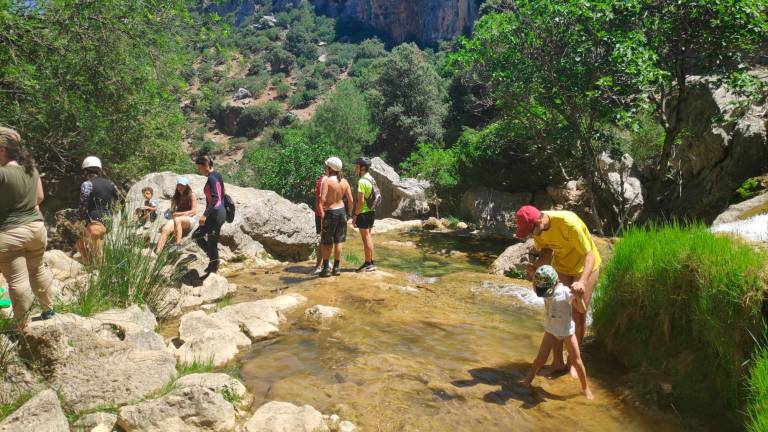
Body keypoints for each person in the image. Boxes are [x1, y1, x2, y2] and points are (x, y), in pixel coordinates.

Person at [515, 205, 602, 375]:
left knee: (578, 313)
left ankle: (572, 364)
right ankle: (557, 362)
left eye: (530, 230)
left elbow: (589, 256)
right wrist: (538, 267)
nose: (530, 234)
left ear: (539, 220)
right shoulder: (538, 231)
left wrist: (582, 282)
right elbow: (547, 251)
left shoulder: (568, 223)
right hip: (562, 266)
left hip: (585, 267)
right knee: (557, 310)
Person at [0, 127, 55, 326]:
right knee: (37, 270)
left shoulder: (3, 173)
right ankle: (49, 311)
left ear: (2, 149)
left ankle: (22, 328)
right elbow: (39, 197)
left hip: (10, 232)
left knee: (17, 280)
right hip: (36, 229)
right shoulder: (31, 169)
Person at [524, 265, 594, 400]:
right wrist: (533, 276)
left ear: (556, 282)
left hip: (568, 332)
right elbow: (536, 288)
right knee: (540, 359)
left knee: (577, 361)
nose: (545, 294)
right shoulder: (544, 290)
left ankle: (586, 388)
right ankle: (529, 379)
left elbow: (582, 310)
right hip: (551, 331)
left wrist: (579, 297)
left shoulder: (566, 292)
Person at [76, 156, 120, 266]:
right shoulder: (111, 184)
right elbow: (122, 200)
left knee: (81, 246)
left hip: (94, 221)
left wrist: (80, 220)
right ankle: (93, 269)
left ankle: (93, 269)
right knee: (92, 246)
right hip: (108, 221)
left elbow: (83, 206)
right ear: (99, 170)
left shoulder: (87, 184)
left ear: (85, 171)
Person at [318, 157, 353, 278]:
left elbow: (322, 200)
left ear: (330, 168)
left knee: (326, 241)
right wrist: (349, 214)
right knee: (339, 241)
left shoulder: (327, 181)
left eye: (326, 167)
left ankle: (326, 268)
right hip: (342, 211)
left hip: (330, 212)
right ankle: (337, 268)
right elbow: (351, 200)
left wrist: (322, 213)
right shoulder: (344, 181)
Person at [193, 155, 226, 274]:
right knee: (206, 239)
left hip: (216, 214)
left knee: (203, 238)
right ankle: (213, 260)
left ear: (206, 165)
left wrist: (205, 215)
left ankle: (214, 265)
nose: (198, 170)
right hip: (218, 213)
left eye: (199, 167)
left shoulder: (212, 178)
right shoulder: (216, 175)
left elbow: (216, 198)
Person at [155, 177, 197, 254]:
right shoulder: (175, 197)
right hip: (177, 218)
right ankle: (158, 252)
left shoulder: (192, 195)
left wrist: (179, 214)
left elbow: (193, 212)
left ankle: (178, 244)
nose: (180, 187)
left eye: (183, 185)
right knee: (165, 229)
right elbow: (173, 211)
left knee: (178, 219)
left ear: (187, 186)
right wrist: (172, 209)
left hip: (189, 219)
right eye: (179, 185)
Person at [352, 157, 376, 273]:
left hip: (363, 212)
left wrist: (355, 215)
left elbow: (360, 201)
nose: (355, 168)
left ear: (362, 168)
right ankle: (371, 262)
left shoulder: (362, 181)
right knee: (369, 237)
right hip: (371, 212)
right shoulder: (371, 178)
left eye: (356, 166)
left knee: (366, 238)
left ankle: (368, 264)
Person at [312, 171, 327, 275]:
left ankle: (324, 262)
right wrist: (321, 214)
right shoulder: (323, 181)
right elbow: (318, 200)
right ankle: (318, 265)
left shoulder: (326, 180)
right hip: (322, 214)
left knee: (327, 240)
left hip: (326, 213)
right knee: (322, 239)